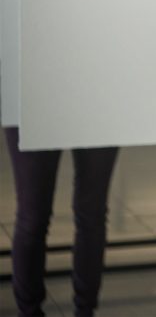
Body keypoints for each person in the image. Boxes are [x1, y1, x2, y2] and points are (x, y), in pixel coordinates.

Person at [4, 127, 118, 317]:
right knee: (32, 217)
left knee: (91, 214)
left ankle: (85, 310)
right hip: (28, 103)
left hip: (97, 104)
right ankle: (29, 311)